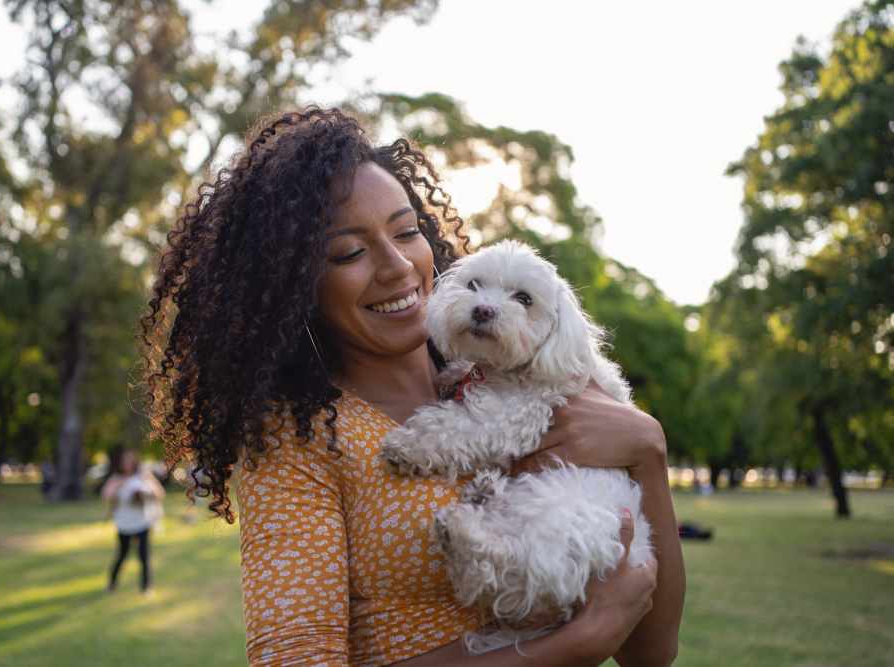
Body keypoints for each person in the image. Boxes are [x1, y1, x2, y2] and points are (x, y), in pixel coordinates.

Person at [140, 107, 685, 665]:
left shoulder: (524, 385)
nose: (398, 265)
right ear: (294, 290)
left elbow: (651, 654)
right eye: (349, 252)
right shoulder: (297, 442)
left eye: (407, 231)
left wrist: (647, 452)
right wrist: (578, 642)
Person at [101, 449, 165, 594]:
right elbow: (106, 496)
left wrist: (145, 491)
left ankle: (146, 587)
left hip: (142, 522)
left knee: (144, 557)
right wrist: (121, 484)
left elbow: (160, 493)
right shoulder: (116, 478)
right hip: (124, 523)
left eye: (130, 461)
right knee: (122, 555)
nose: (128, 464)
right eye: (125, 461)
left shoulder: (143, 476)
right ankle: (112, 584)